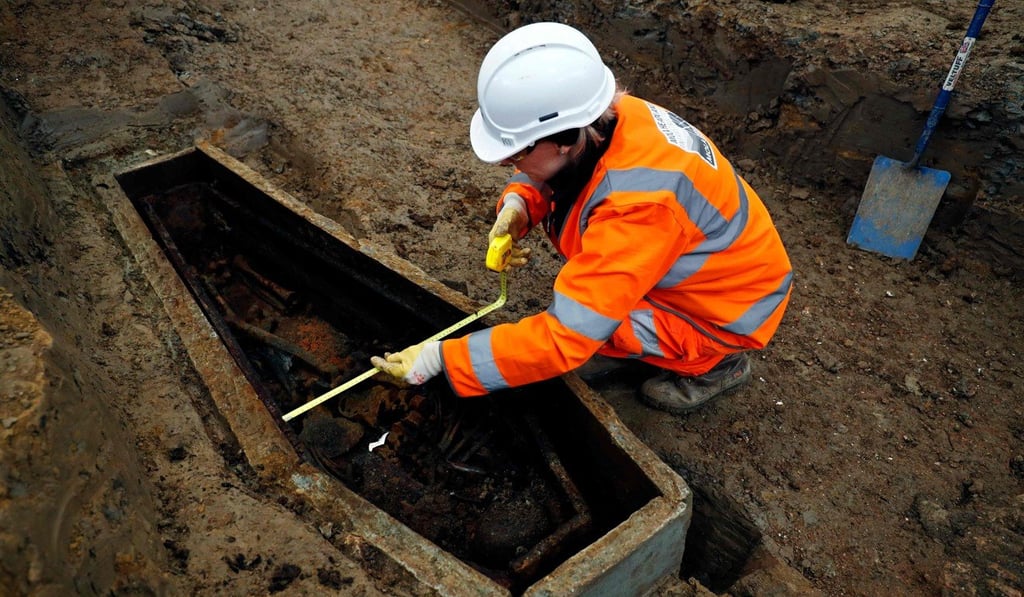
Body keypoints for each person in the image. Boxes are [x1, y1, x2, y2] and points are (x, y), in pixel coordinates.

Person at [371, 22, 793, 414]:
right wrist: (519, 206)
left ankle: (716, 364)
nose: (506, 163)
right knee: (592, 311)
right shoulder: (603, 117)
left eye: (515, 152)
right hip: (691, 270)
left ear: (566, 140)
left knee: (592, 328)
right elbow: (552, 173)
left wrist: (441, 358)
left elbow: (565, 338)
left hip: (722, 310)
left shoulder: (638, 207)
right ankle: (647, 339)